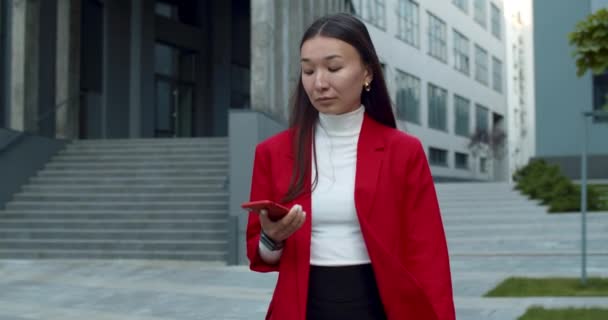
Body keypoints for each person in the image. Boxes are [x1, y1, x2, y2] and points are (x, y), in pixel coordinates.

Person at [246, 13, 455, 320]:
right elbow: (259, 253)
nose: (319, 82)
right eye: (308, 70)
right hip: (303, 307)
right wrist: (272, 237)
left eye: (334, 68)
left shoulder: (403, 152)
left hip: (380, 306)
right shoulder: (273, 152)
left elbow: (429, 257)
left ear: (367, 72)